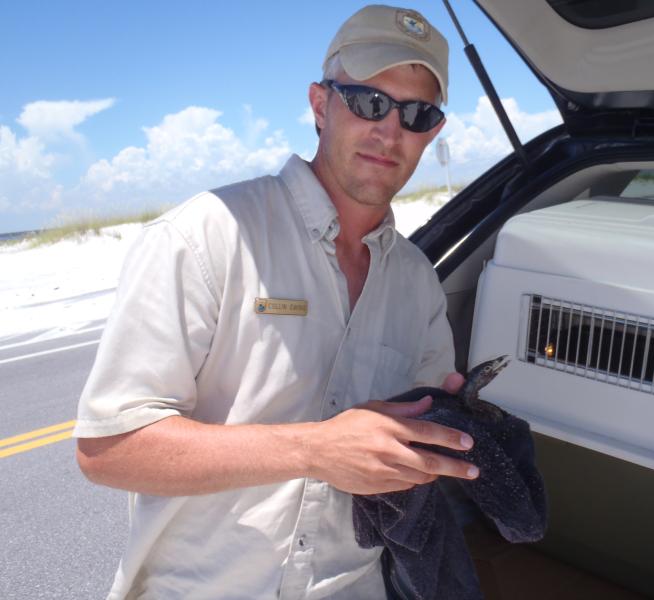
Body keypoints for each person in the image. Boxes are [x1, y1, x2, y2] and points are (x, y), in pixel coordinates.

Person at [75, 5, 478, 599]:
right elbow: (107, 450)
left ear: (434, 133)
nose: (390, 132)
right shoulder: (205, 236)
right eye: (369, 102)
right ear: (320, 105)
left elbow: (421, 438)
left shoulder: (418, 282)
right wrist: (314, 449)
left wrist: (457, 435)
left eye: (416, 114)